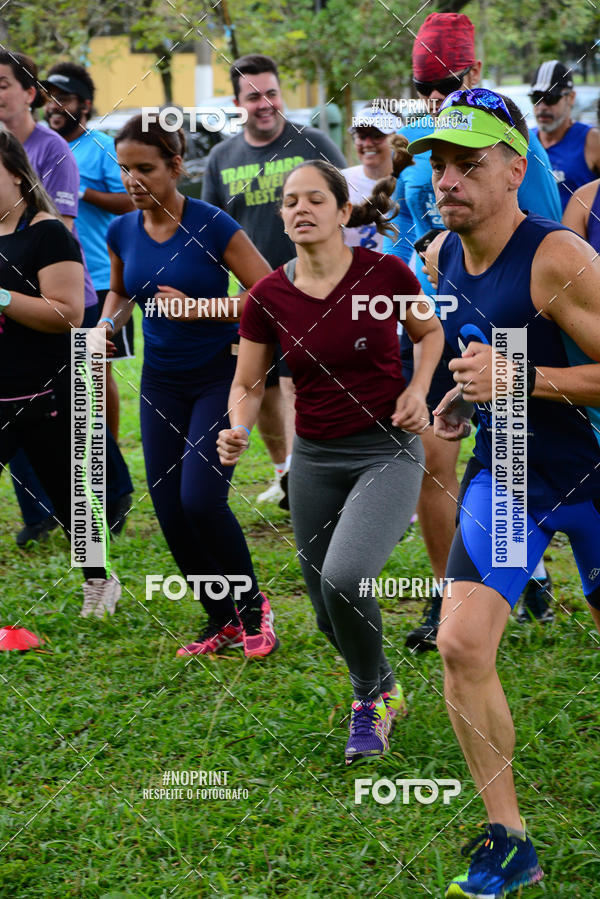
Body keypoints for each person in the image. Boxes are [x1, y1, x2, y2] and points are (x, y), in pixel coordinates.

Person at [407, 87, 600, 897]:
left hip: (595, 474)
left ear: (515, 169)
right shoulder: (447, 256)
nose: (447, 180)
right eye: (440, 165)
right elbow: (487, 354)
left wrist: (521, 378)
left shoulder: (559, 255)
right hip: (514, 465)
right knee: (460, 642)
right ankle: (508, 838)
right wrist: (462, 397)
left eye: (468, 165)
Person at [217, 157, 444, 763]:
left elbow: (431, 335)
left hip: (386, 451)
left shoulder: (384, 273)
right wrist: (237, 428)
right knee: (325, 611)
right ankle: (385, 684)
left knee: (346, 578)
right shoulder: (266, 295)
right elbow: (247, 382)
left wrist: (418, 388)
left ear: (344, 212)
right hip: (313, 458)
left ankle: (369, 702)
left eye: (315, 199)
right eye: (291, 201)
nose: (300, 209)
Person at [383, 13, 560, 651]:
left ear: (475, 73)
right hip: (440, 317)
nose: (434, 95)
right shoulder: (419, 148)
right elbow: (404, 230)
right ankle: (452, 595)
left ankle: (520, 574)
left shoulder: (514, 150)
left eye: (448, 81)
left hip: (512, 324)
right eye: (422, 84)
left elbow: (544, 239)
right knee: (437, 457)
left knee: (519, 464)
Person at [100, 115, 277, 659]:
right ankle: (219, 619)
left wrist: (201, 307)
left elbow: (270, 295)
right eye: (125, 169)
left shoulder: (212, 224)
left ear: (176, 167)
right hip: (161, 383)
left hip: (217, 378)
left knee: (201, 500)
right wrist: (107, 326)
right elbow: (121, 292)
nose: (133, 180)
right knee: (169, 508)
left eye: (145, 169)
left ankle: (254, 609)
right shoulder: (121, 230)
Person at [203, 53, 347, 509]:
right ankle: (286, 474)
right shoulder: (221, 158)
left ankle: (323, 475)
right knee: (261, 387)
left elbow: (349, 209)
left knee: (310, 385)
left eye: (271, 93)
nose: (264, 104)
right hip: (255, 298)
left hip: (317, 291)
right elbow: (211, 231)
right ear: (236, 101)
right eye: (253, 96)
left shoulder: (315, 143)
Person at [0, 50, 132, 544]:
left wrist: (9, 296)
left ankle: (111, 493)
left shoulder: (53, 149)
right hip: (16, 307)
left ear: (28, 92)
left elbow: (62, 232)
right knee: (18, 404)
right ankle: (39, 516)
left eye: (3, 84)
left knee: (74, 407)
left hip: (76, 289)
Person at [0, 128, 120, 616]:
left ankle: (100, 581)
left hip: (50, 391)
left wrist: (2, 297)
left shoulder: (47, 233)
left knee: (75, 502)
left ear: (13, 172)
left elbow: (68, 311)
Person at [42, 63, 135, 450]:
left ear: (86, 103)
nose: (53, 107)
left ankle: (107, 458)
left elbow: (131, 202)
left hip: (98, 281)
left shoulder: (102, 147)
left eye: (63, 99)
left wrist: (79, 191)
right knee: (55, 375)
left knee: (96, 374)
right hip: (48, 282)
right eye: (48, 99)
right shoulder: (43, 146)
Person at [531, 60, 600, 211]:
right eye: (536, 98)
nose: (542, 107)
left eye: (550, 97)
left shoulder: (591, 140)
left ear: (571, 97)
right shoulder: (526, 141)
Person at [341, 105, 404, 250]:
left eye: (378, 135)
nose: (368, 144)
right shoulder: (340, 181)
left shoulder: (411, 184)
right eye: (362, 136)